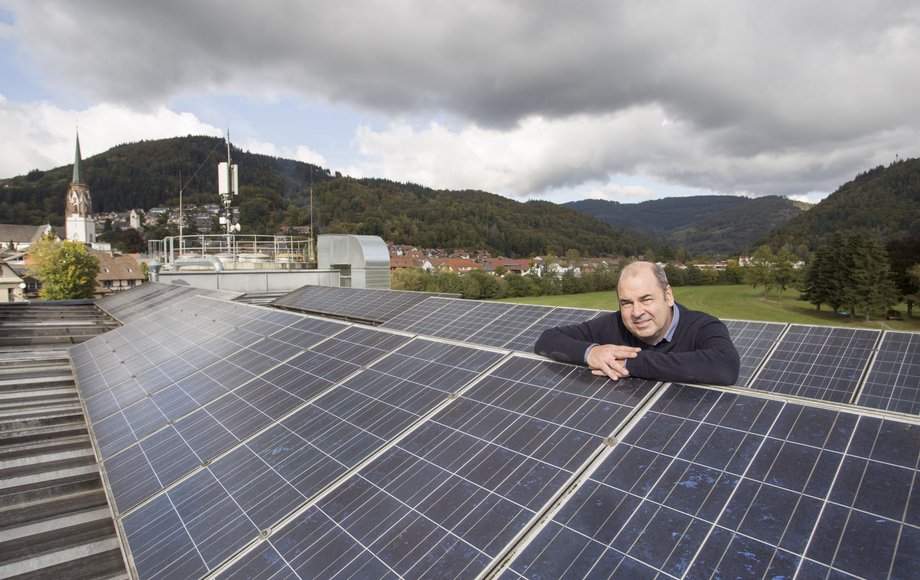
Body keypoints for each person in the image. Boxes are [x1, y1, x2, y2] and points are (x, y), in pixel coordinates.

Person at [534, 261, 740, 386]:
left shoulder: (702, 327)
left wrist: (630, 363)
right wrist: (592, 353)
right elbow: (547, 339)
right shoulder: (614, 324)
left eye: (646, 299)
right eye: (626, 303)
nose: (637, 312)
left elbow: (725, 366)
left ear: (668, 295)